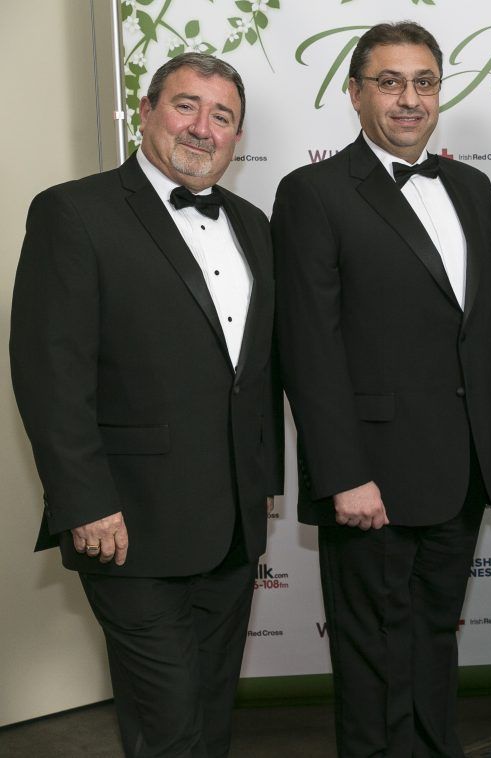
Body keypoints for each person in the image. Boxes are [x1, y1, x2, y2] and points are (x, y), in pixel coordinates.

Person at [9, 53, 281, 757]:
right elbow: (50, 373)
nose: (203, 128)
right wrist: (83, 500)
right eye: (186, 105)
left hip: (230, 524)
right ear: (147, 110)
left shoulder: (253, 225)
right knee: (171, 721)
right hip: (127, 521)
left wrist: (265, 479)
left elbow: (257, 373)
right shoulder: (75, 211)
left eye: (223, 116)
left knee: (210, 712)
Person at [271, 21, 491, 757]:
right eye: (390, 82)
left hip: (461, 471)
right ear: (353, 93)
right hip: (370, 478)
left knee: (433, 652)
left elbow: (485, 333)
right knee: (375, 667)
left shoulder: (473, 188)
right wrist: (343, 474)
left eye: (424, 82)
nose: (410, 99)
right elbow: (308, 347)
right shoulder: (313, 191)